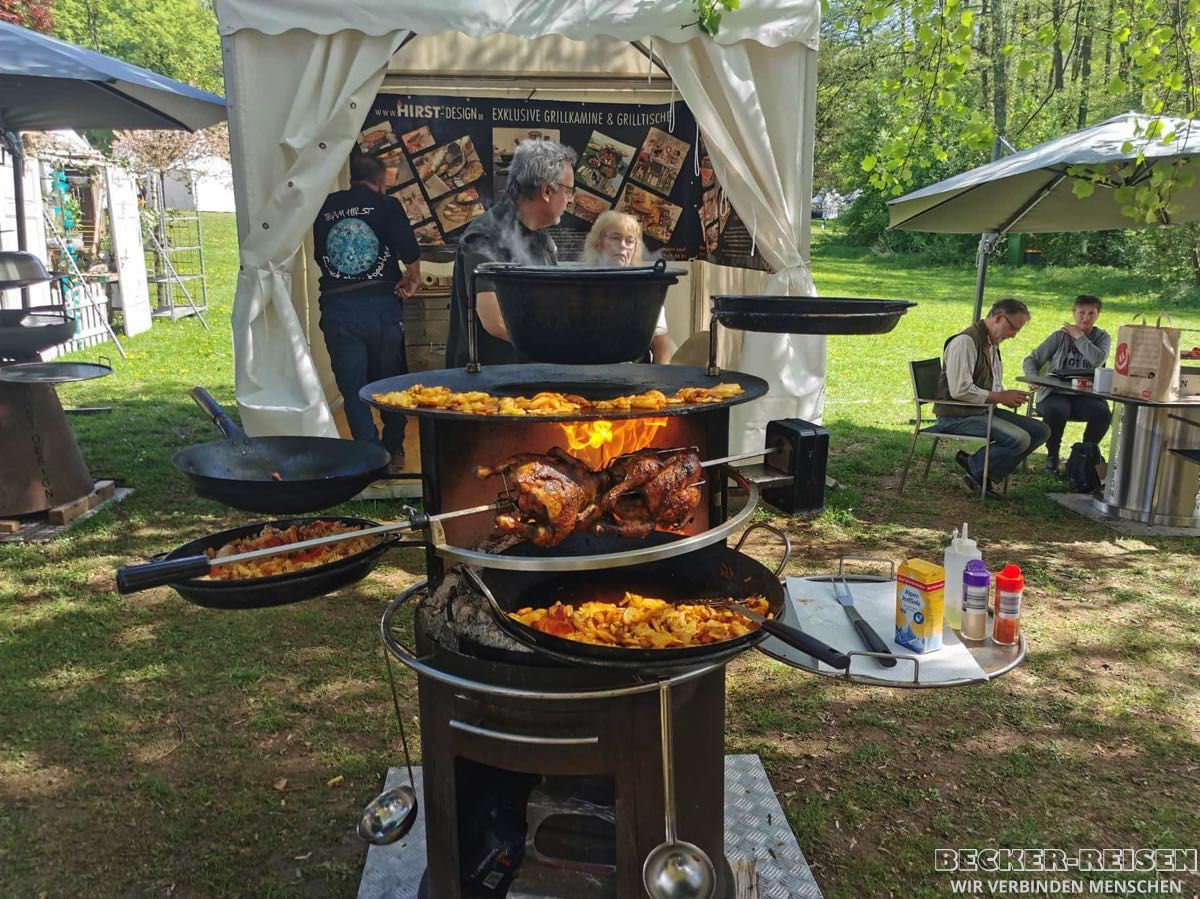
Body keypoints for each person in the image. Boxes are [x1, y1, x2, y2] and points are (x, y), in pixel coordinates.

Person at [312, 153, 421, 470]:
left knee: (352, 387)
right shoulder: (387, 205)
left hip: (338, 306)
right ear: (381, 180)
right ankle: (394, 450)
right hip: (381, 307)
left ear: (351, 177)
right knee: (390, 383)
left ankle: (370, 457)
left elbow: (321, 253)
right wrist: (412, 279)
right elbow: (409, 249)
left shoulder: (325, 205)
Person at [445, 139, 577, 368]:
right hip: (489, 380)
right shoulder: (484, 237)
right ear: (547, 191)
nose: (571, 199)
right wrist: (561, 344)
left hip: (531, 372)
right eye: (569, 191)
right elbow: (495, 322)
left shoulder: (542, 238)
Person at [933, 298, 1050, 499]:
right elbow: (960, 390)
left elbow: (991, 383)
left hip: (982, 410)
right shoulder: (965, 342)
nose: (1013, 335)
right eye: (1013, 328)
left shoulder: (991, 343)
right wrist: (1000, 396)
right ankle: (979, 470)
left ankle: (978, 468)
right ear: (998, 318)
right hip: (956, 416)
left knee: (1041, 430)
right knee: (1019, 439)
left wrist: (1007, 396)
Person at [1020, 294, 1112, 472]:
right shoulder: (1060, 336)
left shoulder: (1102, 338)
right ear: (1074, 313)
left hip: (1086, 394)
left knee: (1102, 413)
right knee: (1057, 410)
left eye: (1091, 313)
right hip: (1055, 393)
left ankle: (1083, 456)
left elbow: (1097, 360)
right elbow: (1031, 359)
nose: (1086, 317)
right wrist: (1033, 377)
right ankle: (1052, 456)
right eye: (1081, 312)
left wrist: (1080, 337)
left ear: (1098, 315)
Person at [579, 210, 677, 364]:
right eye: (615, 238)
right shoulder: (578, 284)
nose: (623, 246)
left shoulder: (646, 291)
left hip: (634, 373)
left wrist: (660, 376)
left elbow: (662, 345)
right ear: (598, 242)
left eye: (630, 241)